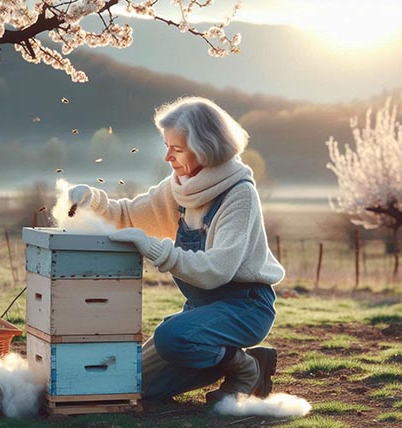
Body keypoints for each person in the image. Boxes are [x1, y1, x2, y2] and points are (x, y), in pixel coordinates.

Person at [67, 96, 285, 403]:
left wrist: (158, 250)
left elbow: (216, 271)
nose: (168, 156)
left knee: (173, 337)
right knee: (133, 384)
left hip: (245, 307)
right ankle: (232, 356)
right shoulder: (180, 187)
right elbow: (128, 215)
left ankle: (246, 369)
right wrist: (93, 200)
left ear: (205, 148)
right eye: (166, 145)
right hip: (202, 310)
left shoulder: (239, 195)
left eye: (177, 148)